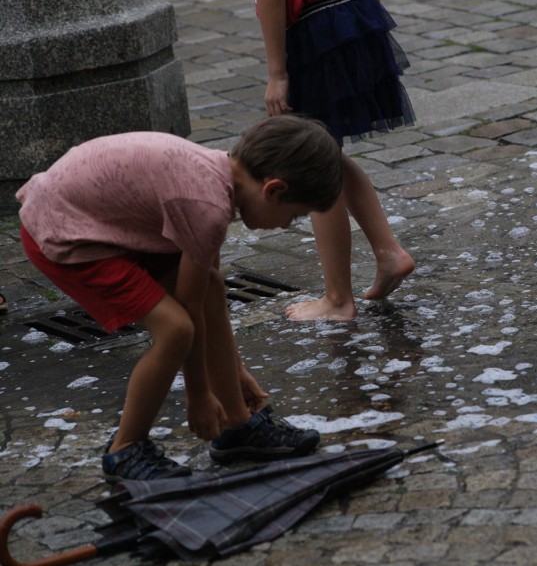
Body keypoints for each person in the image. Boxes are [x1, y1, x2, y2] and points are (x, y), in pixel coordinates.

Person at [16, 115, 342, 481]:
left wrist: (234, 371)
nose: (286, 225)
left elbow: (207, 291)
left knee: (212, 290)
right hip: (65, 232)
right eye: (294, 216)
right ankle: (125, 449)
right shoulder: (207, 207)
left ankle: (238, 426)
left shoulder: (214, 176)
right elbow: (188, 310)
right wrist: (199, 396)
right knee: (175, 329)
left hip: (88, 216)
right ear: (273, 189)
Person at [256, 0, 416, 320]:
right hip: (355, 17)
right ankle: (388, 254)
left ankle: (338, 298)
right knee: (326, 154)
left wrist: (277, 73)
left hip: (320, 32)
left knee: (312, 162)